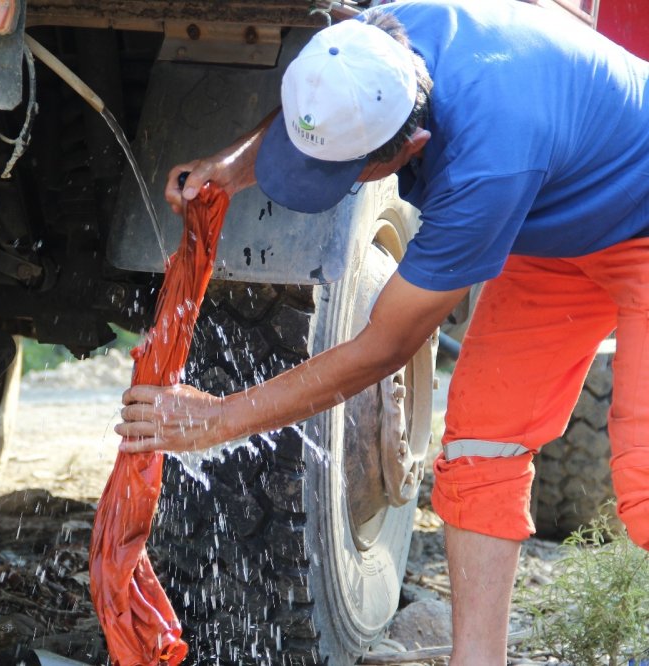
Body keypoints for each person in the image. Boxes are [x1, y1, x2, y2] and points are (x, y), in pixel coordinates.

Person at [114, 0, 649, 663]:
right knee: (482, 449)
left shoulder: (485, 169)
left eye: (341, 176)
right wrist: (233, 165)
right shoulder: (373, 36)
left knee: (645, 477)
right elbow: (317, 105)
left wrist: (218, 418)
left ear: (413, 147)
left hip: (637, 219)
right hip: (554, 229)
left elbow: (383, 347)